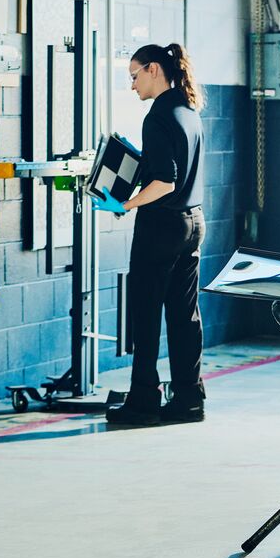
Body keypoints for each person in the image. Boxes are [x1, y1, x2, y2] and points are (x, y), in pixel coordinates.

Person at [95, 43, 207, 426]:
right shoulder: (189, 110)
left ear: (154, 69)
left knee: (145, 313)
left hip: (160, 227)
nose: (132, 86)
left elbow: (164, 180)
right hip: (192, 223)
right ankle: (189, 399)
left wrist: (123, 206)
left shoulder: (157, 116)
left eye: (134, 75)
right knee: (184, 316)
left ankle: (143, 402)